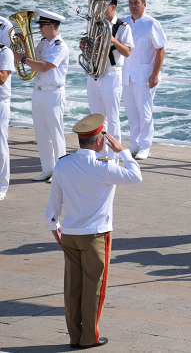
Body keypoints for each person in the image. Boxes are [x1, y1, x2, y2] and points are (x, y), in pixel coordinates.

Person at [45, 113, 142, 348]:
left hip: (70, 234)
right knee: (94, 289)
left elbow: (54, 200)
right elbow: (136, 176)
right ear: (99, 141)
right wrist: (123, 151)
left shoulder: (63, 164)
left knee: (72, 288)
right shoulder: (103, 167)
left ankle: (74, 336)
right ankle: (89, 337)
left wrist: (54, 225)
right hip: (95, 236)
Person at [13, 9, 69, 182]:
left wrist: (22, 59)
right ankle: (48, 169)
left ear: (52, 26)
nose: (39, 28)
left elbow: (44, 66)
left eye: (42, 25)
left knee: (55, 134)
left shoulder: (60, 46)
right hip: (38, 92)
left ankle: (61, 172)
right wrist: (24, 45)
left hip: (53, 93)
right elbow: (32, 58)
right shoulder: (44, 42)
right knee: (42, 135)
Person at [82, 0, 134, 162]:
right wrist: (84, 46)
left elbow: (127, 52)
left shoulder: (123, 27)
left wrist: (112, 39)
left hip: (111, 73)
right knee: (96, 117)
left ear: (113, 7)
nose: (100, 9)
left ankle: (114, 157)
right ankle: (100, 154)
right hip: (94, 73)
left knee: (112, 117)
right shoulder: (95, 25)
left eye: (104, 5)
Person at [121, 0, 166, 160]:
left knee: (145, 114)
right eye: (131, 3)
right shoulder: (123, 22)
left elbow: (160, 49)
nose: (133, 6)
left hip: (144, 76)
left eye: (136, 3)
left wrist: (155, 74)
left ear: (144, 5)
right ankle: (134, 144)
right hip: (125, 75)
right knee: (131, 113)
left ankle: (145, 146)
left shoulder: (151, 24)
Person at [0, 41, 14, 200]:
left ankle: (2, 186)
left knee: (1, 146)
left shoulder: (5, 52)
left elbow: (2, 78)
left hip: (1, 103)